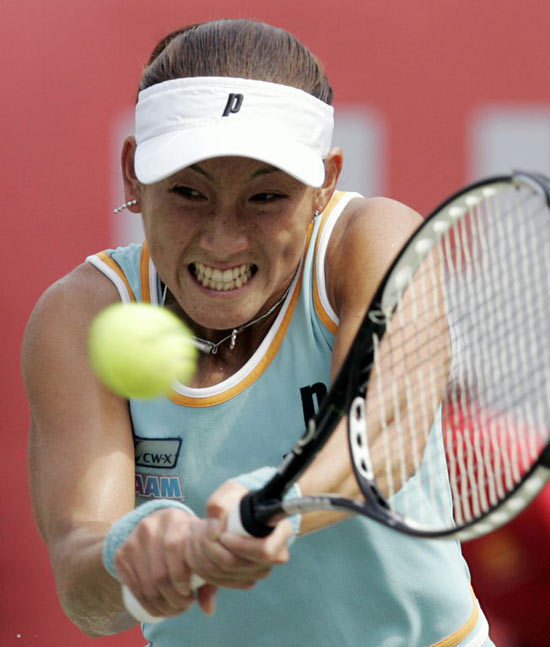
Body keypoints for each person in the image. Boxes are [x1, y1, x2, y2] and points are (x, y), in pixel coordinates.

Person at [22, 18, 494, 646]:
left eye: (265, 198)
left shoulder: (372, 243)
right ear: (134, 173)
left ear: (325, 181)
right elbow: (86, 592)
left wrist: (270, 502)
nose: (222, 240)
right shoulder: (79, 314)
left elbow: (382, 434)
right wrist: (133, 553)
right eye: (188, 191)